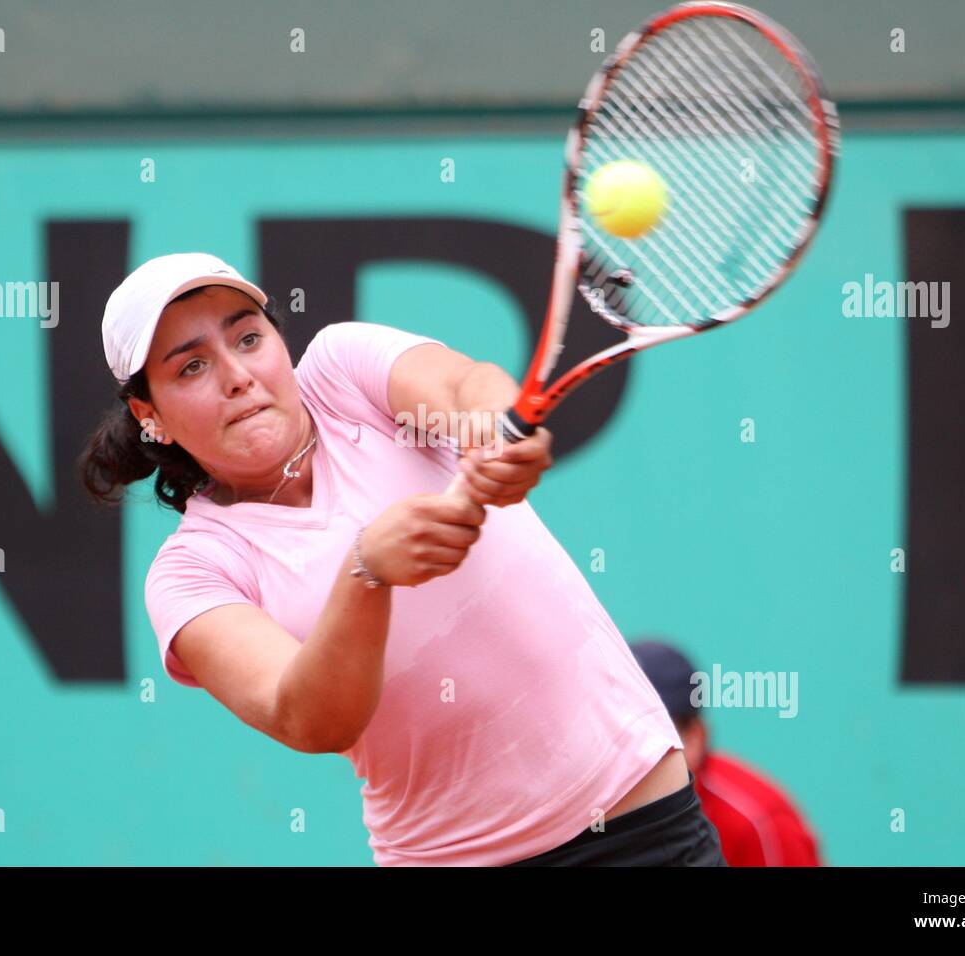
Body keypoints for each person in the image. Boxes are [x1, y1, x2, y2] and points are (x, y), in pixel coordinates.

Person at [80, 251, 725, 866]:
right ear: (149, 414)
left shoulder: (343, 370)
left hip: (643, 823)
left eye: (247, 338)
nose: (237, 375)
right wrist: (367, 574)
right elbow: (305, 717)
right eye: (191, 367)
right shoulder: (193, 572)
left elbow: (465, 384)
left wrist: (488, 431)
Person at [630, 639, 824, 866]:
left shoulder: (758, 823)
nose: (629, 753)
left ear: (695, 738)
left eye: (646, 736)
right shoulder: (595, 811)